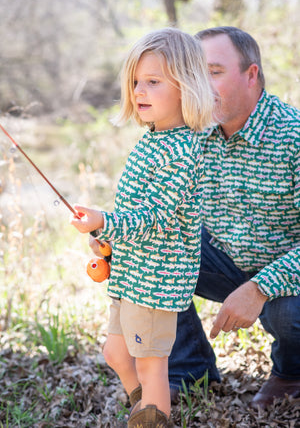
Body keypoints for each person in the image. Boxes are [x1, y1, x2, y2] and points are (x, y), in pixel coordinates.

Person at [70, 27, 214, 427]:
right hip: (132, 272)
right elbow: (134, 209)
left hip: (157, 280)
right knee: (116, 353)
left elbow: (157, 215)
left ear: (187, 87)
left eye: (153, 81)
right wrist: (106, 237)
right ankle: (143, 406)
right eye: (135, 81)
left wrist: (107, 221)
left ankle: (153, 413)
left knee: (152, 366)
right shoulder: (153, 139)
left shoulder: (184, 149)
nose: (139, 91)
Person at [167, 26, 300, 410]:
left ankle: (291, 372)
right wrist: (115, 231)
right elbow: (169, 210)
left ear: (251, 74)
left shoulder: (292, 136)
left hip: (289, 280)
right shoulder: (193, 135)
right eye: (195, 74)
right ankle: (190, 369)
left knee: (288, 312)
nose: (202, 86)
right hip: (228, 258)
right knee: (141, 251)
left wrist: (259, 288)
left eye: (215, 71)